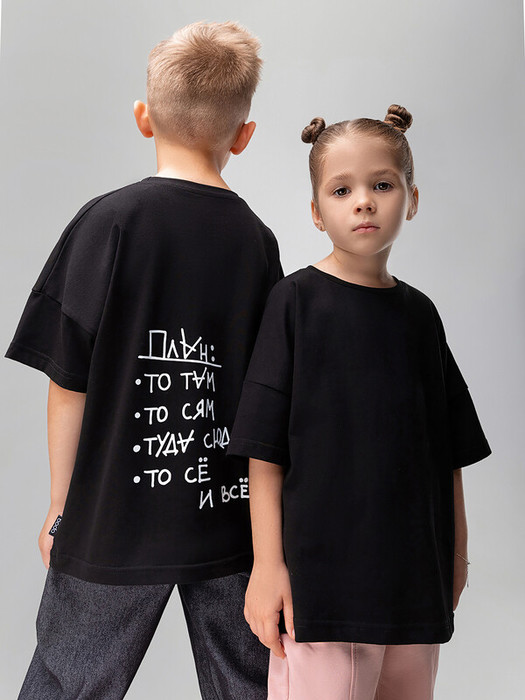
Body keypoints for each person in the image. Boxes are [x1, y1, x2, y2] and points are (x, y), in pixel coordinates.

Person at [6, 20, 282, 700]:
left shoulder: (107, 222)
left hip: (111, 517)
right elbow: (268, 396)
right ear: (243, 135)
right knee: (250, 685)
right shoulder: (257, 242)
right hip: (229, 514)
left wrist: (61, 504)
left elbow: (67, 381)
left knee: (68, 682)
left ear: (143, 117)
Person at [227, 105, 492, 700]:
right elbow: (263, 452)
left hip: (413, 587)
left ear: (412, 199)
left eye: (382, 185)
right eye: (342, 190)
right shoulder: (294, 303)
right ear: (317, 212)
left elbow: (448, 450)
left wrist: (456, 557)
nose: (364, 203)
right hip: (323, 591)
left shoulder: (420, 316)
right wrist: (266, 567)